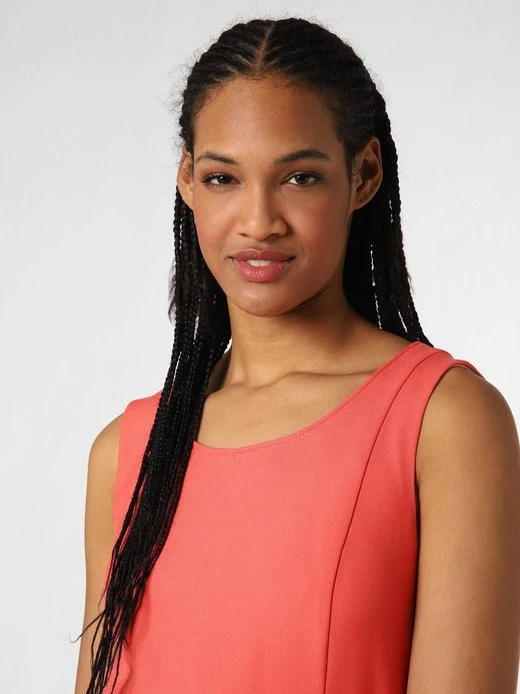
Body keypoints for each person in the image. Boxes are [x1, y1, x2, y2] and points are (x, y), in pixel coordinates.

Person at [74, 16, 520, 694]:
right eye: (223, 178)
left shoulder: (444, 423)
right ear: (187, 180)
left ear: (363, 174)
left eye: (300, 177)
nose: (258, 221)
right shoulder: (128, 452)